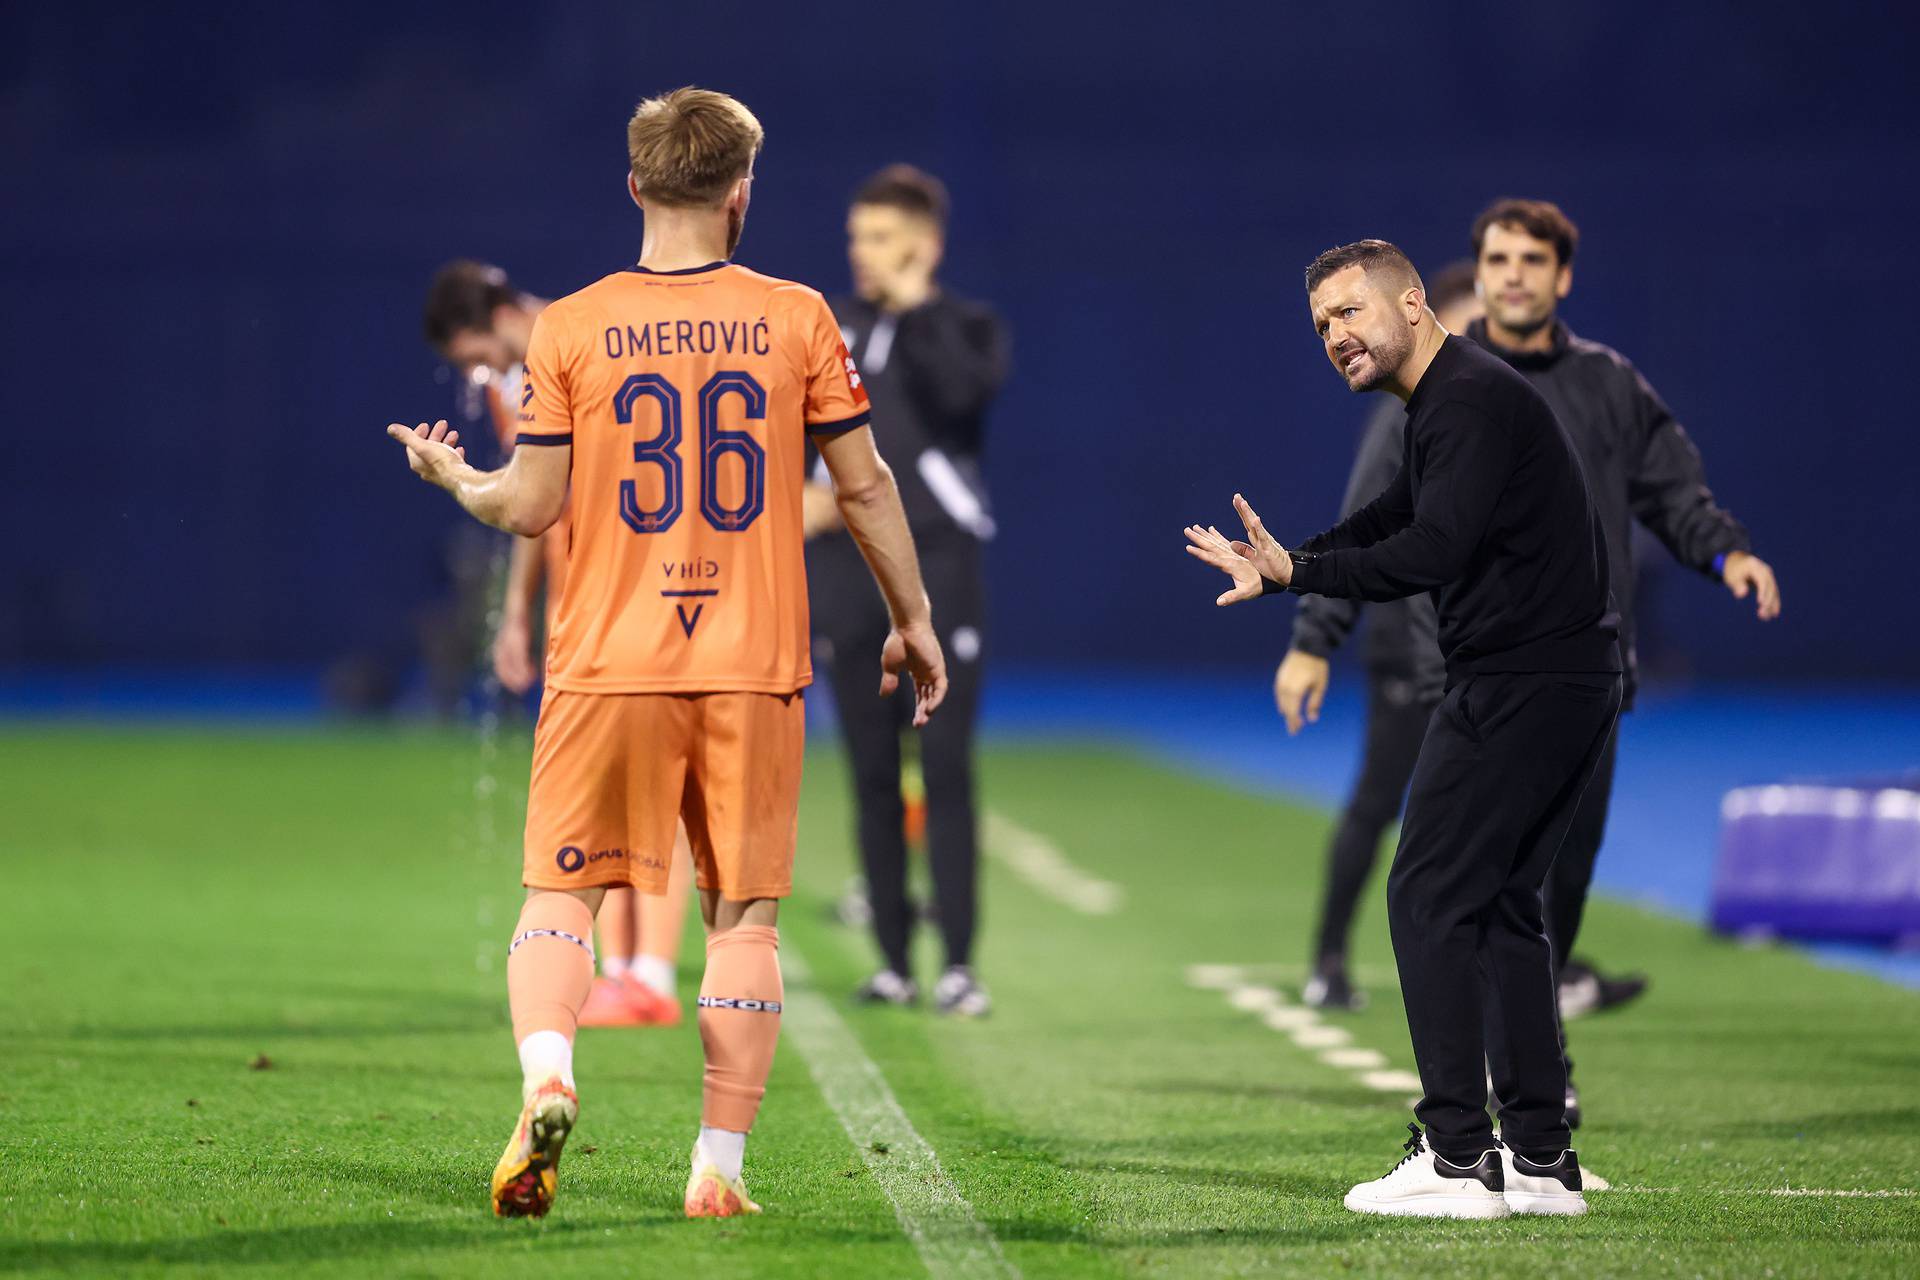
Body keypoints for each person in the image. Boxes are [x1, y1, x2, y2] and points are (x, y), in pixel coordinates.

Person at [387, 87, 947, 1221]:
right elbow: (865, 483)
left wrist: (460, 481)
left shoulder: (571, 325)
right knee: (743, 918)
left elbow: (532, 505)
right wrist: (914, 616)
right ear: (742, 193)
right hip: (751, 663)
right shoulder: (798, 316)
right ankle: (717, 1170)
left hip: (606, 661)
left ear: (636, 186)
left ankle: (550, 1073)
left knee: (560, 895)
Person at [1187, 240, 1621, 1219]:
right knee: (1506, 904)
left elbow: (1431, 548)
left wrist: (1302, 577)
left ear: (1415, 304)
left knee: (1427, 891)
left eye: (1350, 311)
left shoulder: (1463, 400)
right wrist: (1291, 561)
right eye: (1322, 325)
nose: (1336, 335)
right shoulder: (1452, 402)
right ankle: (1540, 1158)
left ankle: (1461, 1154)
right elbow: (1391, 517)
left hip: (1518, 681)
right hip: (1566, 679)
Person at [1462, 199, 1780, 1039]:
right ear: (1480, 274)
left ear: (1562, 277)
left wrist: (1725, 552)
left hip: (1588, 675)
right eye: (1499, 260)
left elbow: (1672, 490)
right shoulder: (1444, 383)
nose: (1515, 276)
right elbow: (1391, 513)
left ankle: (1531, 1050)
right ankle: (1488, 1068)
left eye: (1533, 261)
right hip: (1475, 673)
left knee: (1565, 873)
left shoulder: (1607, 384)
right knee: (1481, 876)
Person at [422, 262, 694, 1030]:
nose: (476, 372)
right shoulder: (524, 368)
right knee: (612, 781)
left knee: (654, 778)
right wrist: (519, 612)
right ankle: (628, 971)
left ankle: (650, 970)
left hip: (637, 581)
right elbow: (537, 498)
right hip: (587, 595)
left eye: (475, 350)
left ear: (501, 314)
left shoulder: (576, 341)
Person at [804, 165, 1008, 1015]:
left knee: (949, 769)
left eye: (881, 238)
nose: (863, 253)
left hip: (940, 570)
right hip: (845, 574)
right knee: (870, 772)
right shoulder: (830, 327)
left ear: (924, 245)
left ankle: (959, 963)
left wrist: (915, 303)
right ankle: (892, 959)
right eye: (857, 237)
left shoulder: (965, 325)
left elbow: (963, 397)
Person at [1277, 261, 1481, 1012]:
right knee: (1380, 807)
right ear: (1420, 314)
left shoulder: (1502, 412)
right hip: (1418, 661)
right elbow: (1357, 534)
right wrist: (1312, 640)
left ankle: (1531, 986)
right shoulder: (1405, 417)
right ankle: (1330, 956)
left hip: (1488, 662)